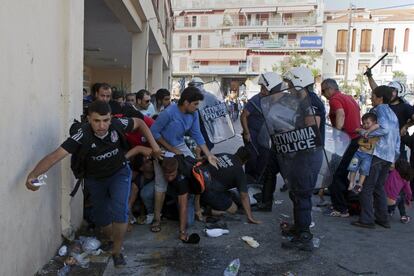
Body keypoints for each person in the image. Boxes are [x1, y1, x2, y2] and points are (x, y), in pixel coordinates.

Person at [25, 101, 162, 268]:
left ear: (111, 119)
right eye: (97, 121)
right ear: (89, 119)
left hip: (119, 173)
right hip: (95, 179)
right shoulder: (82, 135)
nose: (102, 125)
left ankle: (117, 252)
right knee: (102, 218)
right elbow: (55, 156)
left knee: (120, 212)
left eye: (105, 120)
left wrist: (154, 146)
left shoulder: (117, 124)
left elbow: (140, 122)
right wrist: (33, 175)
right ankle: (112, 239)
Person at [150, 86, 218, 233]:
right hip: (162, 147)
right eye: (195, 104)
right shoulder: (168, 113)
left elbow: (197, 134)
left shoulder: (193, 114)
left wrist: (209, 154)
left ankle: (195, 209)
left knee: (195, 172)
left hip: (180, 146)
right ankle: (156, 218)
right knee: (161, 183)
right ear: (186, 102)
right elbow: (154, 132)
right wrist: (170, 149)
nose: (197, 107)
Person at [277, 67, 325, 251]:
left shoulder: (311, 101)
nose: (289, 88)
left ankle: (304, 234)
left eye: (290, 85)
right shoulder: (302, 101)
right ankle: (299, 228)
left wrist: (289, 131)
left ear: (299, 83)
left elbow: (311, 129)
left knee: (303, 194)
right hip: (300, 155)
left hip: (309, 155)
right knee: (296, 193)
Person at [351, 86, 400, 229]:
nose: (371, 98)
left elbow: (384, 129)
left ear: (380, 98)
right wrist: (394, 157)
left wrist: (366, 133)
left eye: (373, 96)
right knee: (379, 187)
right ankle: (382, 218)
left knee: (366, 186)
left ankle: (367, 219)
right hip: (388, 155)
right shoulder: (392, 113)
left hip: (377, 153)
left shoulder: (380, 110)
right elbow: (396, 137)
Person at [321, 78, 361, 218]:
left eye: (323, 91)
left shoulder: (335, 99)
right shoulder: (348, 97)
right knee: (342, 173)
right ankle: (345, 203)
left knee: (334, 174)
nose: (323, 94)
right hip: (355, 139)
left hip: (346, 140)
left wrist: (338, 133)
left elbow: (341, 113)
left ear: (329, 88)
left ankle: (341, 208)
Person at [201, 147, 261, 224]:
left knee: (229, 193)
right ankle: (206, 210)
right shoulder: (239, 172)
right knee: (233, 209)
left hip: (200, 182)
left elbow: (206, 157)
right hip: (209, 192)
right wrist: (250, 217)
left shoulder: (224, 154)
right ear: (245, 161)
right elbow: (244, 196)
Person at [241, 72, 280, 181]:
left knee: (265, 158)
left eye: (264, 89)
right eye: (261, 88)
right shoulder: (256, 99)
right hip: (252, 133)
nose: (262, 91)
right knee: (252, 158)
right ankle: (248, 180)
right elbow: (243, 116)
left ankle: (259, 180)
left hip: (265, 136)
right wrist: (246, 132)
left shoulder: (275, 100)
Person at [347, 113, 380, 193]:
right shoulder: (363, 130)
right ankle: (351, 182)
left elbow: (378, 125)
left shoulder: (376, 130)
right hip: (358, 153)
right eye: (364, 123)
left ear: (374, 122)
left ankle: (360, 184)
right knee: (352, 168)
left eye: (368, 123)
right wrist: (362, 130)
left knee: (364, 170)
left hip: (368, 155)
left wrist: (368, 131)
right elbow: (357, 129)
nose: (365, 125)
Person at [385, 159, 412, 224]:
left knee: (396, 195)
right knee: (402, 195)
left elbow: (390, 165)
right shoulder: (405, 178)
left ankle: (390, 211)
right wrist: (408, 200)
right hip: (391, 203)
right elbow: (409, 192)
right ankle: (403, 216)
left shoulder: (392, 171)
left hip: (381, 200)